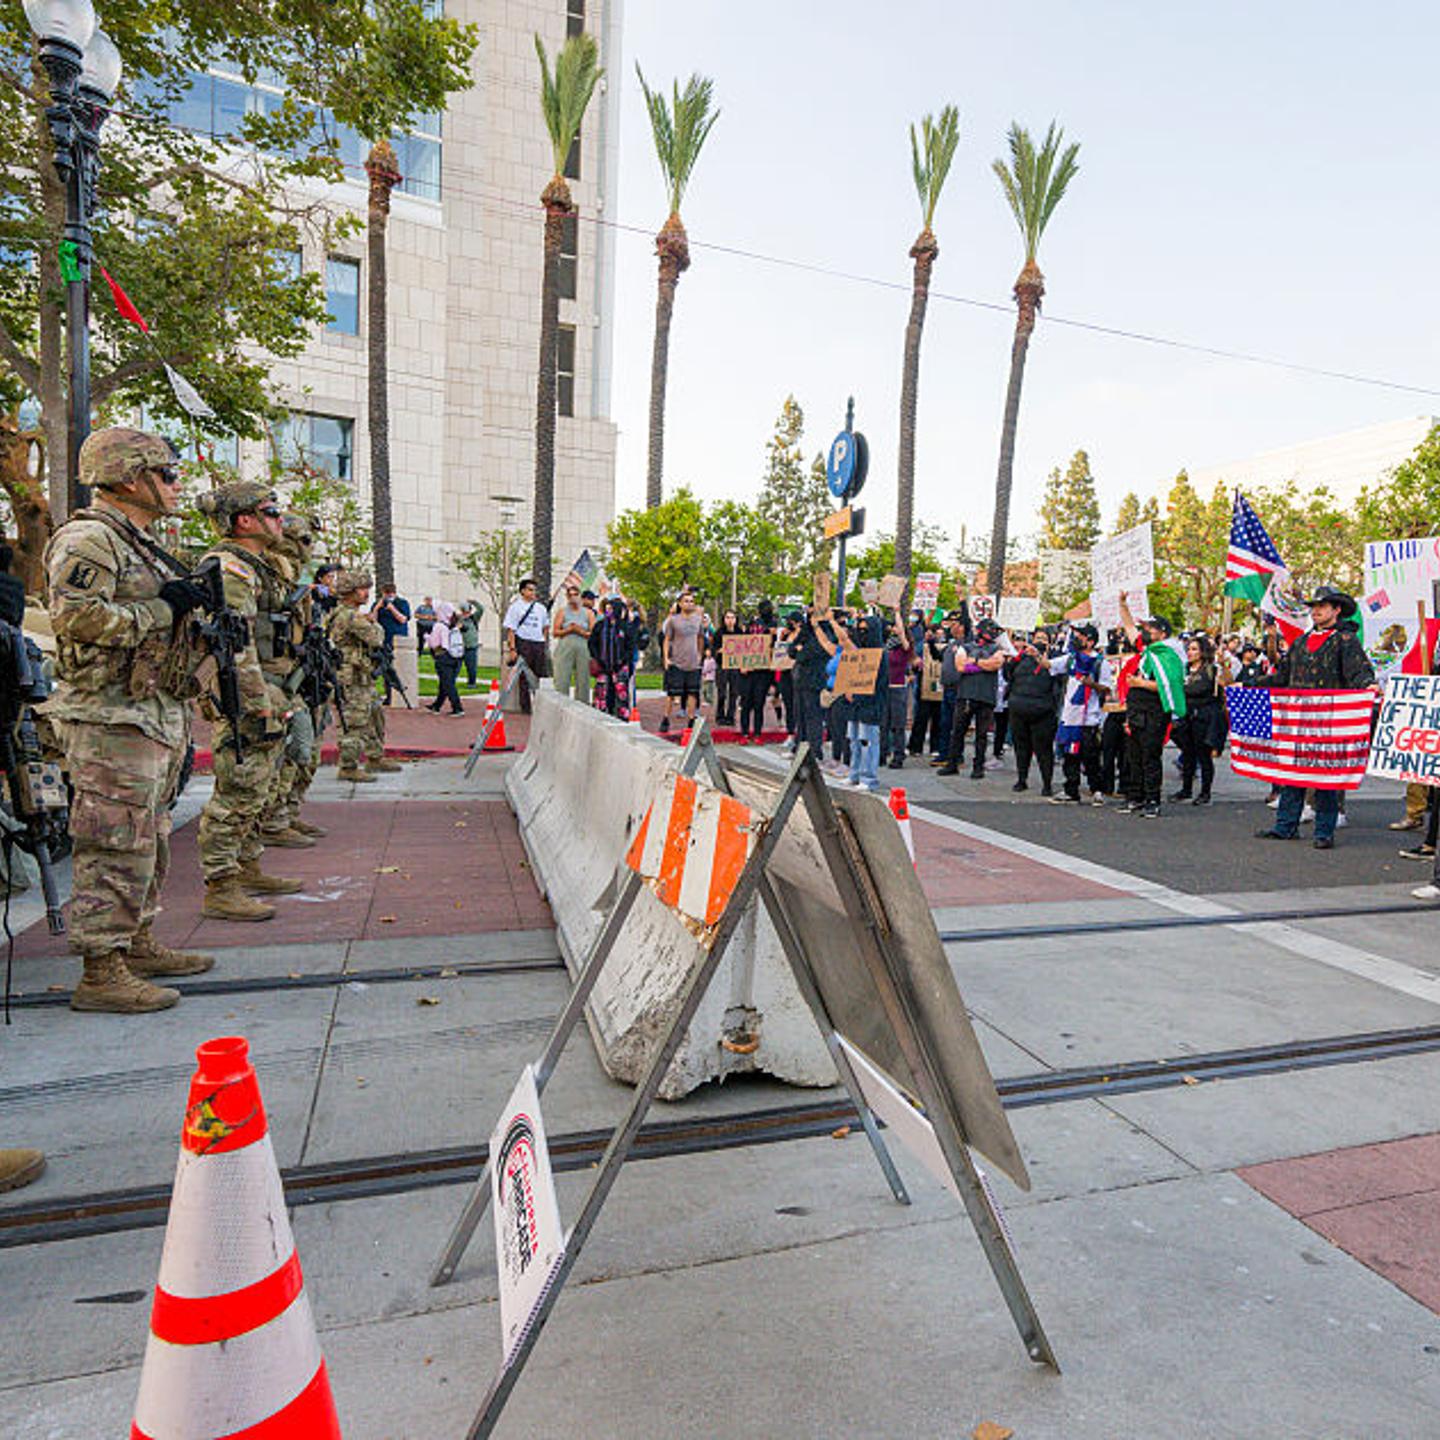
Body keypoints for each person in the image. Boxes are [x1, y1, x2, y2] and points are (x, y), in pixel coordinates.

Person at [43, 426, 215, 1011]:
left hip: (146, 711)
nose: (176, 482)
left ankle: (136, 939)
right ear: (127, 478)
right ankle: (101, 969)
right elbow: (76, 618)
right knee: (114, 840)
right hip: (109, 716)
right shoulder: (92, 540)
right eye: (166, 473)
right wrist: (160, 610)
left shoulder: (136, 541)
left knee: (148, 836)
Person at [193, 482, 310, 922]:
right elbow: (234, 643)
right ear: (245, 520)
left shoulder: (254, 566)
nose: (280, 518)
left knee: (259, 787)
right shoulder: (230, 568)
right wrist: (258, 700)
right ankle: (221, 885)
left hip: (266, 688)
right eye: (271, 511)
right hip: (245, 698)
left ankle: (246, 866)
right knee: (237, 792)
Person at [1248, 585, 1375, 850]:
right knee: (1292, 774)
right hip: (1298, 720)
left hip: (1328, 721)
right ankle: (1285, 826)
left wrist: (1369, 685)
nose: (1316, 611)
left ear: (1336, 610)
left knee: (1324, 777)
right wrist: (1249, 686)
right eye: (1314, 606)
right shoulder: (1301, 642)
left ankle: (1324, 831)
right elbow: (1282, 676)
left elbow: (1359, 673)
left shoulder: (1345, 641)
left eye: (1322, 606)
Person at [1118, 594, 1187, 818]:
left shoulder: (1168, 654)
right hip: (1136, 709)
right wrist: (1123, 604)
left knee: (1150, 756)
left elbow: (1169, 685)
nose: (1145, 630)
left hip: (1154, 711)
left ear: (1162, 633)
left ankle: (1152, 800)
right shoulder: (1146, 652)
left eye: (1150, 628)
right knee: (1134, 755)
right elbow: (1129, 628)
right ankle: (1135, 797)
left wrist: (1140, 683)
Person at [328, 571, 390, 780]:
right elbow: (376, 638)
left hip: (360, 675)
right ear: (349, 592)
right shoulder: (351, 616)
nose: (366, 593)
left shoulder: (343, 613)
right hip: (351, 677)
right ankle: (348, 767)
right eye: (361, 589)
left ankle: (375, 757)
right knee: (354, 721)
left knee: (373, 715)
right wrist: (374, 623)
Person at [1048, 625, 1111, 803]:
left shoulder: (1100, 663)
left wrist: (1091, 684)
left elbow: (1106, 688)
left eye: (1080, 636)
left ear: (1090, 641)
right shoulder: (1071, 659)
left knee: (1090, 755)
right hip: (1070, 717)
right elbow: (1051, 666)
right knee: (1070, 755)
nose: (1075, 639)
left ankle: (1097, 789)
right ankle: (1071, 790)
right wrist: (1037, 655)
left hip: (1089, 718)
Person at [937, 616, 1006, 779]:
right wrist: (984, 664)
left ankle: (978, 766)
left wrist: (974, 662)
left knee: (982, 734)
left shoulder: (997, 648)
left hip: (986, 696)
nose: (994, 633)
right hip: (966, 695)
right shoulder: (966, 646)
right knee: (958, 731)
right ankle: (952, 764)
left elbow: (996, 663)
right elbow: (960, 665)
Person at [1171, 634, 1226, 805]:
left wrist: (1224, 666)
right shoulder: (1184, 669)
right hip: (1186, 717)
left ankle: (1205, 792)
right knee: (1187, 754)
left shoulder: (1212, 670)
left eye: (1194, 649)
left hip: (1204, 717)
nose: (1190, 652)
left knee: (1203, 756)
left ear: (1202, 652)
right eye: (1188, 649)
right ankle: (1186, 789)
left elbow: (1222, 685)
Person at [835, 611, 888, 791]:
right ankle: (854, 773)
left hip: (871, 705)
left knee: (868, 742)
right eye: (860, 630)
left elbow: (877, 683)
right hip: (854, 704)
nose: (862, 634)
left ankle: (869, 777)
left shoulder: (881, 655)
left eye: (866, 630)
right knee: (854, 740)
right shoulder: (858, 652)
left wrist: (857, 694)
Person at [1004, 630, 1058, 795]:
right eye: (1037, 639)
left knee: (1044, 750)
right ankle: (1022, 779)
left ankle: (1047, 784)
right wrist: (1015, 656)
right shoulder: (1022, 658)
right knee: (1021, 747)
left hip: (1043, 711)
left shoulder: (1054, 660)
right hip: (1019, 708)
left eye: (1044, 639)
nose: (1039, 642)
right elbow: (1008, 674)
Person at [660, 591, 705, 733]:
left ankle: (691, 720)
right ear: (680, 603)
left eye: (691, 601)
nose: (689, 603)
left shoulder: (698, 620)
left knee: (692, 692)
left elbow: (700, 638)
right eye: (686, 601)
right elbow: (666, 639)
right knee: (672, 693)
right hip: (677, 662)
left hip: (693, 663)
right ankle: (666, 718)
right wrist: (666, 658)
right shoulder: (673, 620)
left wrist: (700, 656)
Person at [502, 578, 549, 713]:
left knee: (539, 675)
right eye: (530, 589)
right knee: (523, 676)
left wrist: (543, 640)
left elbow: (545, 626)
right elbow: (511, 629)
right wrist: (513, 649)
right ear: (522, 591)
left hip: (538, 644)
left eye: (534, 590)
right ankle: (526, 707)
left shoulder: (541, 608)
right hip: (523, 643)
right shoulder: (515, 607)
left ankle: (539, 705)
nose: (533, 592)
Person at [738, 600, 776, 743]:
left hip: (764, 671)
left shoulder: (774, 625)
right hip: (748, 670)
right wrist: (742, 665)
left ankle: (758, 734)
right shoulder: (751, 625)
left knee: (759, 703)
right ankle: (744, 733)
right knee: (746, 703)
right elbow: (741, 645)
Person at [550, 581, 594, 703]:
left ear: (580, 596)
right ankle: (561, 703)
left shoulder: (588, 613)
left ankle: (582, 704)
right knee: (562, 677)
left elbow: (593, 633)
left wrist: (581, 631)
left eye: (575, 594)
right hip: (565, 645)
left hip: (583, 645)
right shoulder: (562, 612)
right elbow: (555, 632)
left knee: (583, 678)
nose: (573, 597)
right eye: (570, 595)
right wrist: (569, 629)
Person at [589, 596, 633, 715]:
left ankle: (621, 715)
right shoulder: (600, 626)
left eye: (612, 609)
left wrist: (622, 661)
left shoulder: (625, 627)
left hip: (620, 666)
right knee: (602, 693)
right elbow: (592, 643)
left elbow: (630, 647)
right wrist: (598, 658)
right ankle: (601, 714)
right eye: (608, 609)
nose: (609, 612)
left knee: (621, 693)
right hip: (602, 665)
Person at [881, 613, 913, 769]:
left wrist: (897, 611)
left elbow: (901, 631)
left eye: (895, 627)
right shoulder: (887, 646)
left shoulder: (905, 648)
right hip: (884, 688)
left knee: (898, 725)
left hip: (898, 688)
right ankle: (882, 753)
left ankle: (898, 755)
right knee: (883, 723)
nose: (893, 629)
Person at [372, 583, 412, 704]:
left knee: (398, 668)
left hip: (398, 639)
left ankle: (401, 694)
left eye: (389, 594)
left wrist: (392, 608)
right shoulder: (378, 604)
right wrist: (376, 608)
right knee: (385, 668)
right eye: (385, 594)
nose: (387, 596)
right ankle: (389, 695)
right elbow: (372, 620)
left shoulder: (402, 603)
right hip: (383, 640)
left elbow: (403, 619)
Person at [425, 601, 466, 715]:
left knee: (448, 684)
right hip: (456, 656)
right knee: (446, 682)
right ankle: (436, 705)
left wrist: (427, 637)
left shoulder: (439, 625)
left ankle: (457, 707)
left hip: (443, 656)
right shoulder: (454, 624)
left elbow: (434, 644)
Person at [713, 610, 744, 725]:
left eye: (732, 618)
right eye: (728, 617)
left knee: (734, 693)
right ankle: (720, 716)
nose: (730, 620)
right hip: (722, 665)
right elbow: (713, 649)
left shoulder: (739, 632)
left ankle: (730, 717)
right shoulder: (719, 633)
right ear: (724, 619)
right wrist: (718, 651)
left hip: (735, 666)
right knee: (722, 692)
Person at [458, 602, 482, 687]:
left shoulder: (473, 619)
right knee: (456, 666)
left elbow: (481, 609)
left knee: (471, 667)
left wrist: (473, 602)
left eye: (468, 611)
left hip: (471, 647)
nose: (466, 613)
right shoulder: (458, 619)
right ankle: (450, 682)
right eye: (464, 611)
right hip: (460, 647)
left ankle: (472, 683)